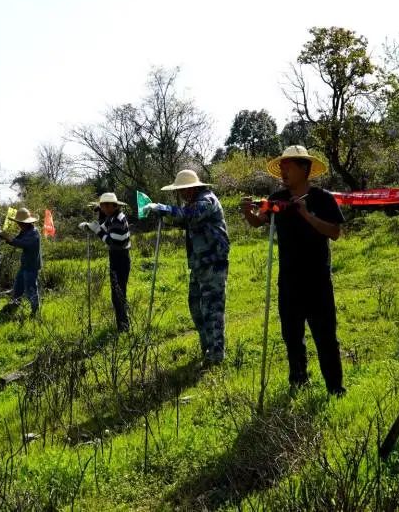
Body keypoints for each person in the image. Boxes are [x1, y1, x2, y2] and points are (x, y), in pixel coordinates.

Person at [241, 145, 347, 396]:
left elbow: (334, 232)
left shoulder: (323, 199)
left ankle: (335, 388)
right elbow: (259, 221)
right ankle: (298, 381)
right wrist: (248, 213)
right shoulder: (277, 199)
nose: (283, 172)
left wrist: (307, 215)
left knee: (325, 336)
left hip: (317, 280)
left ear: (304, 168)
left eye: (288, 167)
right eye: (281, 167)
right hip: (288, 280)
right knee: (291, 335)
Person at [142, 169, 230, 367]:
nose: (181, 194)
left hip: (213, 262)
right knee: (196, 307)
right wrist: (164, 216)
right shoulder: (190, 203)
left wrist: (163, 208)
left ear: (192, 188)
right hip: (199, 263)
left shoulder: (207, 200)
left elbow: (191, 215)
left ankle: (216, 356)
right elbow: (185, 220)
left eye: (183, 190)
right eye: (179, 191)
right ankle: (207, 348)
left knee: (212, 309)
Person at [80, 192, 132, 332]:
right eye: (102, 206)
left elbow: (114, 242)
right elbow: (103, 228)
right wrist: (90, 226)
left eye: (106, 206)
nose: (104, 209)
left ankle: (124, 326)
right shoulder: (111, 218)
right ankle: (122, 324)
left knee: (118, 294)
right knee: (116, 293)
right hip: (116, 257)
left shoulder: (118, 220)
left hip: (121, 258)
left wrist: (97, 231)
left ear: (114, 206)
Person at [0, 208, 42, 315]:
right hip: (25, 265)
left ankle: (35, 313)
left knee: (31, 289)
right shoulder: (25, 230)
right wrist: (5, 237)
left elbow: (22, 243)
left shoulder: (33, 233)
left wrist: (10, 239)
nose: (18, 225)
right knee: (18, 287)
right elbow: (16, 240)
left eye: (20, 223)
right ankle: (13, 308)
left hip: (32, 266)